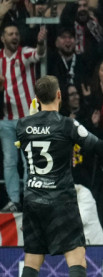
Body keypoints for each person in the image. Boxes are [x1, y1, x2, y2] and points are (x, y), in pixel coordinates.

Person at [17, 75, 103, 277]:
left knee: (32, 262)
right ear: (59, 95)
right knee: (76, 259)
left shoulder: (22, 126)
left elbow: (33, 137)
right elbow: (102, 148)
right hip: (61, 200)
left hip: (33, 200)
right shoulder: (67, 125)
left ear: (36, 99)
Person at [1, 23, 46, 211]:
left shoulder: (24, 53)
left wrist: (41, 43)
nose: (14, 36)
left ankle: (29, 198)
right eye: (10, 34)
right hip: (5, 118)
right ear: (3, 38)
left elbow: (39, 54)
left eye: (17, 33)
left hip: (27, 118)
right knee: (10, 161)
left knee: (29, 161)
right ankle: (14, 200)